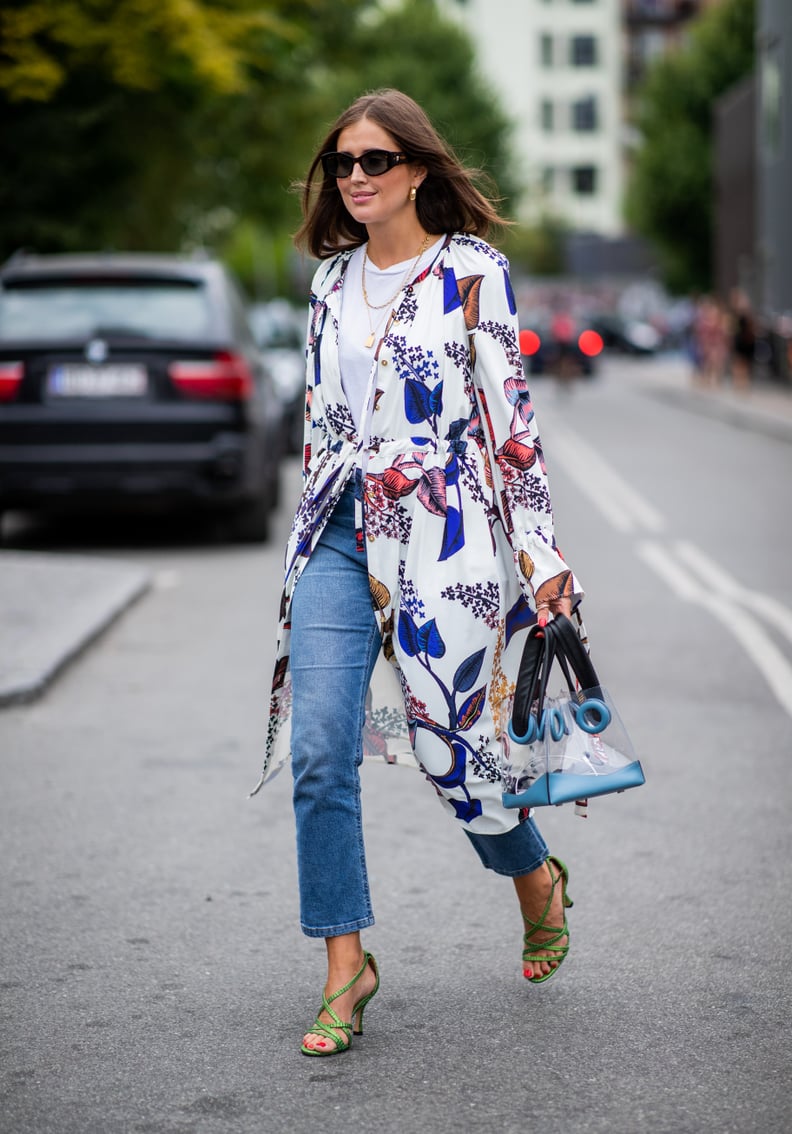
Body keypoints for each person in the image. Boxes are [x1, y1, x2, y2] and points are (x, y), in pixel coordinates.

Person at [250, 89, 583, 1057]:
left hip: (443, 540)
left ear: (420, 171)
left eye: (376, 161)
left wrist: (544, 557)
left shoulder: (472, 274)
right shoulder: (325, 284)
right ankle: (345, 965)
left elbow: (510, 427)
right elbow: (323, 423)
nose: (356, 177)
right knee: (319, 749)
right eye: (343, 162)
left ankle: (535, 879)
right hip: (339, 537)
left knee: (456, 761)